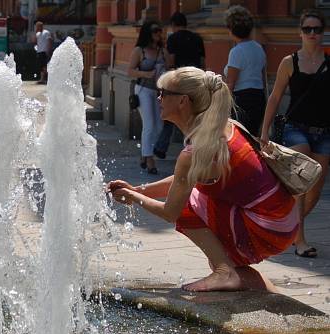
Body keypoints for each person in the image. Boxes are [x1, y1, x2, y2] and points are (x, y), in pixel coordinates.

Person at [109, 67, 299, 292]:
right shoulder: (219, 129)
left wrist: (132, 196)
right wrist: (139, 189)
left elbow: (172, 211)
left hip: (269, 226)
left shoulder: (196, 151)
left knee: (191, 209)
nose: (158, 97)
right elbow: (186, 179)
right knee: (221, 253)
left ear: (183, 101)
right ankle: (254, 286)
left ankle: (223, 272)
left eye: (163, 93)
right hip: (283, 220)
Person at [260, 9, 329, 259]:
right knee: (302, 179)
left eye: (317, 29)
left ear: (323, 32)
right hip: (295, 128)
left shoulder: (328, 62)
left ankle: (289, 227)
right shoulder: (290, 62)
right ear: (300, 32)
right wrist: (265, 130)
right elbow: (275, 96)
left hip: (324, 131)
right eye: (307, 29)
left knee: (316, 187)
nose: (312, 34)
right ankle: (300, 240)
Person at [153, 12, 205, 160]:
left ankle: (162, 147)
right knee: (193, 115)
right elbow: (203, 63)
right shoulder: (197, 39)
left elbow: (170, 62)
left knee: (172, 115)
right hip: (195, 81)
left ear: (173, 25)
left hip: (178, 82)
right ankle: (193, 148)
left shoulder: (173, 39)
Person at [127, 21, 171, 174]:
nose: (159, 35)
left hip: (158, 91)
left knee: (159, 126)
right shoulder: (140, 51)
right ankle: (149, 159)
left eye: (160, 32)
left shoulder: (162, 51)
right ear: (148, 34)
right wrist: (146, 73)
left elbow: (171, 67)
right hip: (143, 89)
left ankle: (144, 155)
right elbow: (130, 71)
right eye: (155, 32)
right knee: (150, 124)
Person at [223, 5, 267, 136]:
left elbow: (231, 83)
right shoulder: (259, 48)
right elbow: (263, 77)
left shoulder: (236, 52)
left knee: (239, 139)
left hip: (241, 100)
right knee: (253, 137)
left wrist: (223, 106)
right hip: (259, 97)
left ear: (232, 29)